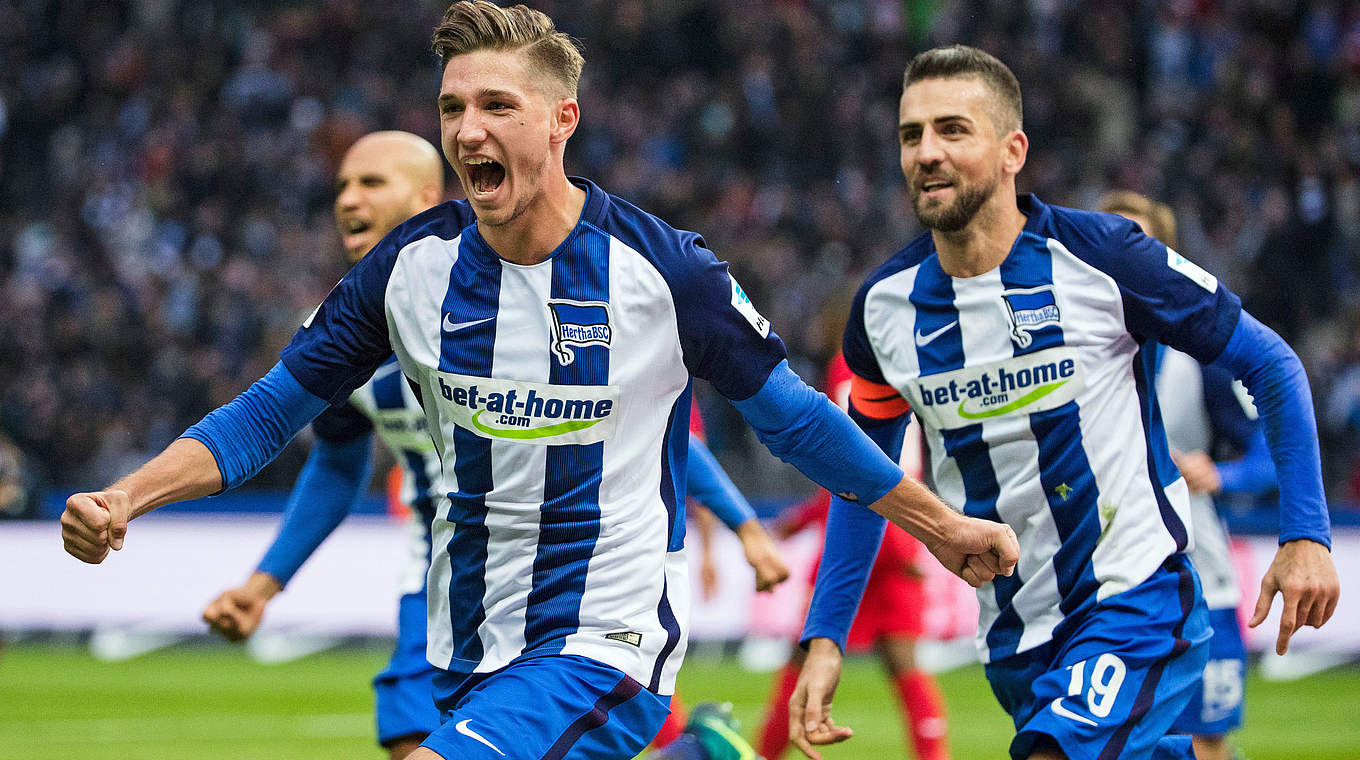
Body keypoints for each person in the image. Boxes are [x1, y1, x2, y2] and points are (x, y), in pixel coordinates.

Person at [59, 6, 1018, 760]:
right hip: (466, 642)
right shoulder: (408, 270)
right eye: (452, 109)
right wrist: (127, 496)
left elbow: (797, 421)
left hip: (606, 641)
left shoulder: (665, 272)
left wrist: (940, 525)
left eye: (496, 107)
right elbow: (271, 411)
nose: (468, 130)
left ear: (563, 120)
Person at [789, 45, 1339, 760]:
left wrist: (1306, 534)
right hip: (1015, 637)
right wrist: (827, 637)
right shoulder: (882, 312)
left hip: (1134, 601)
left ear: (1012, 151)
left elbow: (1272, 363)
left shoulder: (1104, 256)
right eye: (911, 134)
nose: (927, 152)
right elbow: (865, 480)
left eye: (953, 130)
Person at [198, 131, 789, 759]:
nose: (349, 199)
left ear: (425, 198)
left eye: (371, 183)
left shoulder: (509, 306)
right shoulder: (344, 336)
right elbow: (337, 466)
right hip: (443, 579)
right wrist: (264, 584)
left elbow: (645, 436)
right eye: (342, 185)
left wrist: (745, 527)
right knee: (419, 741)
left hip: (564, 575)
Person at [1100, 191, 1278, 760]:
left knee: (1203, 744)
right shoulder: (1059, 360)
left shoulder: (1199, 358)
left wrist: (1222, 474)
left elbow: (1272, 452)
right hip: (1102, 585)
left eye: (1137, 244)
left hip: (1201, 579)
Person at [757, 351, 948, 760]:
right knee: (905, 665)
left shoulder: (851, 364)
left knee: (805, 654)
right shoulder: (904, 357)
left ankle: (762, 754)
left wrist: (807, 519)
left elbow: (851, 462)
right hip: (899, 530)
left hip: (860, 531)